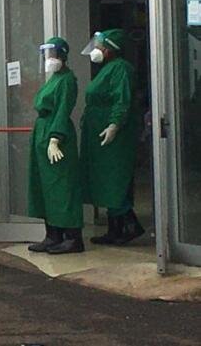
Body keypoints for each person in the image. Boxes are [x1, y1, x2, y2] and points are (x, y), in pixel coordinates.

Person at [79, 29, 144, 245]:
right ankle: (115, 230)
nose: (96, 50)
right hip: (100, 133)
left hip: (115, 137)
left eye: (100, 46)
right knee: (105, 181)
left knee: (115, 179)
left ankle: (129, 226)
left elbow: (121, 100)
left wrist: (114, 124)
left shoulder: (121, 69)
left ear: (110, 48)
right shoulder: (108, 68)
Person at [27, 37, 84, 254]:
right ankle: (53, 234)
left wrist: (55, 138)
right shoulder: (54, 79)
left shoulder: (67, 80)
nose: (48, 58)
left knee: (62, 186)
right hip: (42, 132)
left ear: (62, 55)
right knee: (46, 187)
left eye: (52, 53)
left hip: (55, 135)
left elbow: (62, 110)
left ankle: (72, 237)